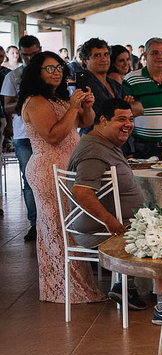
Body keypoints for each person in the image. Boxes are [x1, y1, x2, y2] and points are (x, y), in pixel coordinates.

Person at [19, 51, 99, 305]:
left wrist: (86, 106)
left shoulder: (59, 98)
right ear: (37, 72)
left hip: (67, 167)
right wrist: (73, 107)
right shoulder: (36, 101)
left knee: (70, 227)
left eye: (59, 68)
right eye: (49, 68)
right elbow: (53, 136)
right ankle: (64, 288)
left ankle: (74, 285)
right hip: (48, 169)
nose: (56, 72)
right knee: (58, 228)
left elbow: (85, 122)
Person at [66, 98, 148, 309]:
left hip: (111, 224)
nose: (128, 124)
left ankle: (126, 287)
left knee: (161, 224)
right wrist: (110, 222)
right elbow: (81, 192)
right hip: (99, 230)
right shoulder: (93, 151)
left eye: (130, 119)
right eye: (121, 119)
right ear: (103, 120)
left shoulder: (103, 143)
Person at [2, 35, 43, 241]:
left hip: (49, 132)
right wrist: (26, 100)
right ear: (19, 54)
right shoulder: (14, 76)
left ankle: (56, 221)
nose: (30, 59)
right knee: (29, 180)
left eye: (34, 54)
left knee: (55, 178)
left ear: (40, 50)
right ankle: (35, 224)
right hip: (24, 135)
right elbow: (8, 107)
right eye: (25, 55)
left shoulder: (50, 72)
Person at [74, 38, 142, 130]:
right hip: (95, 135)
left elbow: (140, 109)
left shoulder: (114, 84)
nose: (103, 59)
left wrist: (120, 109)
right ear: (86, 60)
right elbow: (96, 117)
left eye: (106, 54)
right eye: (97, 55)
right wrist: (125, 106)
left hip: (121, 136)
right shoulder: (84, 85)